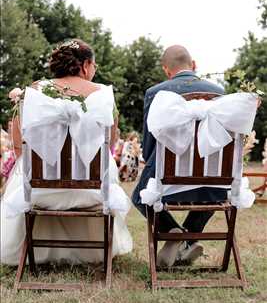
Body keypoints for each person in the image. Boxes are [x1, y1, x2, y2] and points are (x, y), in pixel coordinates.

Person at [1, 38, 132, 265]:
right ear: (84, 66)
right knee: (106, 166)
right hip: (92, 191)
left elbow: (17, 141)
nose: (94, 70)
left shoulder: (34, 91)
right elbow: (109, 143)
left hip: (39, 191)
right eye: (94, 65)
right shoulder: (102, 95)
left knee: (23, 169)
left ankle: (35, 252)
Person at [132, 44, 227, 267]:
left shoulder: (156, 93)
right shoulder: (220, 93)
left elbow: (148, 146)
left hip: (168, 180)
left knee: (138, 196)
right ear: (193, 65)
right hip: (211, 182)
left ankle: (173, 231)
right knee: (217, 191)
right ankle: (190, 238)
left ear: (166, 70)